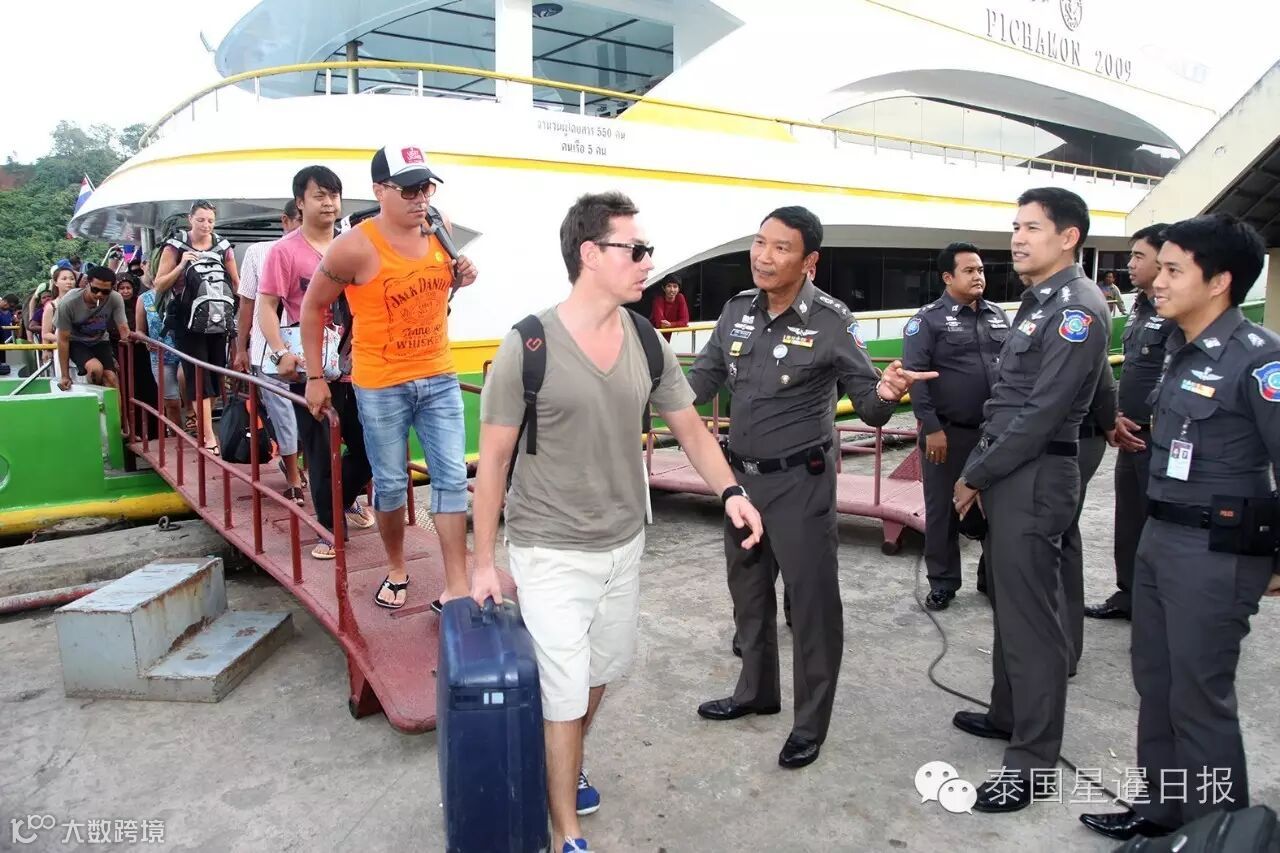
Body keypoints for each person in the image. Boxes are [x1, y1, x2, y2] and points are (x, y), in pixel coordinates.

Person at [468, 191, 763, 853]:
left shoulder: (646, 341)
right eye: (636, 250)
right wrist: (483, 562)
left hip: (625, 544)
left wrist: (731, 491)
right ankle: (565, 833)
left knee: (600, 671)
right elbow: (492, 463)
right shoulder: (528, 345)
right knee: (565, 690)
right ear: (590, 254)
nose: (648, 262)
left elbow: (691, 428)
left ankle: (563, 761)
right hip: (549, 548)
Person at [686, 205, 934, 770]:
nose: (763, 256)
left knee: (813, 606)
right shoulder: (736, 311)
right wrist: (645, 384)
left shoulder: (831, 320)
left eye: (781, 248)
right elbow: (699, 383)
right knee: (749, 595)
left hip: (801, 483)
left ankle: (809, 724)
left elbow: (869, 407)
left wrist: (888, 390)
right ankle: (756, 691)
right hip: (741, 483)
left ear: (809, 262)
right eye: (760, 242)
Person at [1080, 214, 1280, 842]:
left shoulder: (1259, 359)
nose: (1156, 281)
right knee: (1157, 684)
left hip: (1216, 550)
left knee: (1200, 697)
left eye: (1172, 269)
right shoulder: (1175, 346)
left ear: (1219, 281)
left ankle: (1219, 836)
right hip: (1161, 536)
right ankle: (1163, 813)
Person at [950, 187, 1111, 813]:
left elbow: (1043, 412)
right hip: (1013, 469)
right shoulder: (1040, 301)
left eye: (1032, 228)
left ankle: (1033, 762)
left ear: (1069, 237)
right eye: (1015, 227)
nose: (1017, 239)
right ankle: (1007, 712)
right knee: (1010, 604)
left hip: (1034, 473)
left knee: (1033, 622)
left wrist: (976, 474)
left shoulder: (1077, 309)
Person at [302, 144, 476, 611]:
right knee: (392, 483)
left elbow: (436, 291)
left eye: (427, 187)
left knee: (451, 477)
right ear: (380, 190)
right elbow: (313, 306)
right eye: (410, 189)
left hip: (438, 375)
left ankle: (456, 583)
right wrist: (315, 377)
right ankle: (397, 567)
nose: (422, 198)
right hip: (380, 384)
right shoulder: (354, 246)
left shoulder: (440, 228)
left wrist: (461, 277)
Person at [262, 165, 375, 548]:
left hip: (359, 366)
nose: (329, 203)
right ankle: (330, 529)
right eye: (319, 196)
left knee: (370, 447)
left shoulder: (355, 245)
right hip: (313, 369)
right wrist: (280, 352)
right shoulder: (284, 251)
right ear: (300, 202)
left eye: (334, 195)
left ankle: (338, 503)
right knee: (320, 451)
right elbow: (267, 307)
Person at [903, 242, 1005, 610]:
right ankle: (943, 581)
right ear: (948, 277)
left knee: (997, 507)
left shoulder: (998, 316)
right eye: (969, 271)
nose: (978, 276)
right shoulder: (927, 321)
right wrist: (931, 427)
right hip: (947, 433)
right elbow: (915, 377)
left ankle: (991, 578)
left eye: (981, 270)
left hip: (994, 433)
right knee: (943, 509)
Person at [1086, 224, 1173, 621]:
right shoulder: (1140, 307)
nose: (1129, 264)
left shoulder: (1176, 312)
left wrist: (1149, 421)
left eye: (1139, 256)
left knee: (1162, 526)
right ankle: (1130, 594)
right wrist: (1117, 416)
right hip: (1130, 433)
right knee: (1129, 522)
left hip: (1158, 438)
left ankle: (1159, 605)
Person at [152, 201, 241, 454]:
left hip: (218, 319)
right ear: (190, 219)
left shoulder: (223, 246)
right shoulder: (176, 246)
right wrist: (182, 265)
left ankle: (206, 427)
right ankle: (208, 435)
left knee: (215, 374)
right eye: (201, 220)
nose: (206, 225)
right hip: (187, 321)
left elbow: (236, 283)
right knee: (197, 374)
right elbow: (159, 284)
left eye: (210, 221)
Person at [55, 265, 130, 391]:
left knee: (111, 378)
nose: (99, 294)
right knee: (95, 369)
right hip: (76, 341)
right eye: (95, 290)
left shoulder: (115, 298)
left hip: (100, 340)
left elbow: (124, 329)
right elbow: (62, 339)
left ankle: (114, 404)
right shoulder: (69, 302)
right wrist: (65, 376)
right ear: (87, 284)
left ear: (112, 289)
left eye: (105, 292)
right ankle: (96, 398)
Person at [137, 272, 185, 430]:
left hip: (186, 352)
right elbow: (139, 330)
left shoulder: (184, 293)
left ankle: (199, 430)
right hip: (160, 356)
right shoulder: (144, 299)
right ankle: (177, 436)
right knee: (171, 402)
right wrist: (146, 340)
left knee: (192, 395)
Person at [649, 273, 689, 339]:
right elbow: (661, 323)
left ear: (679, 289)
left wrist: (670, 324)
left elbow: (684, 321)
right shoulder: (658, 300)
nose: (672, 290)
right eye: (669, 286)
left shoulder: (680, 297)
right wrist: (676, 324)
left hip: (673, 336)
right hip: (657, 336)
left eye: (675, 286)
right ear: (663, 288)